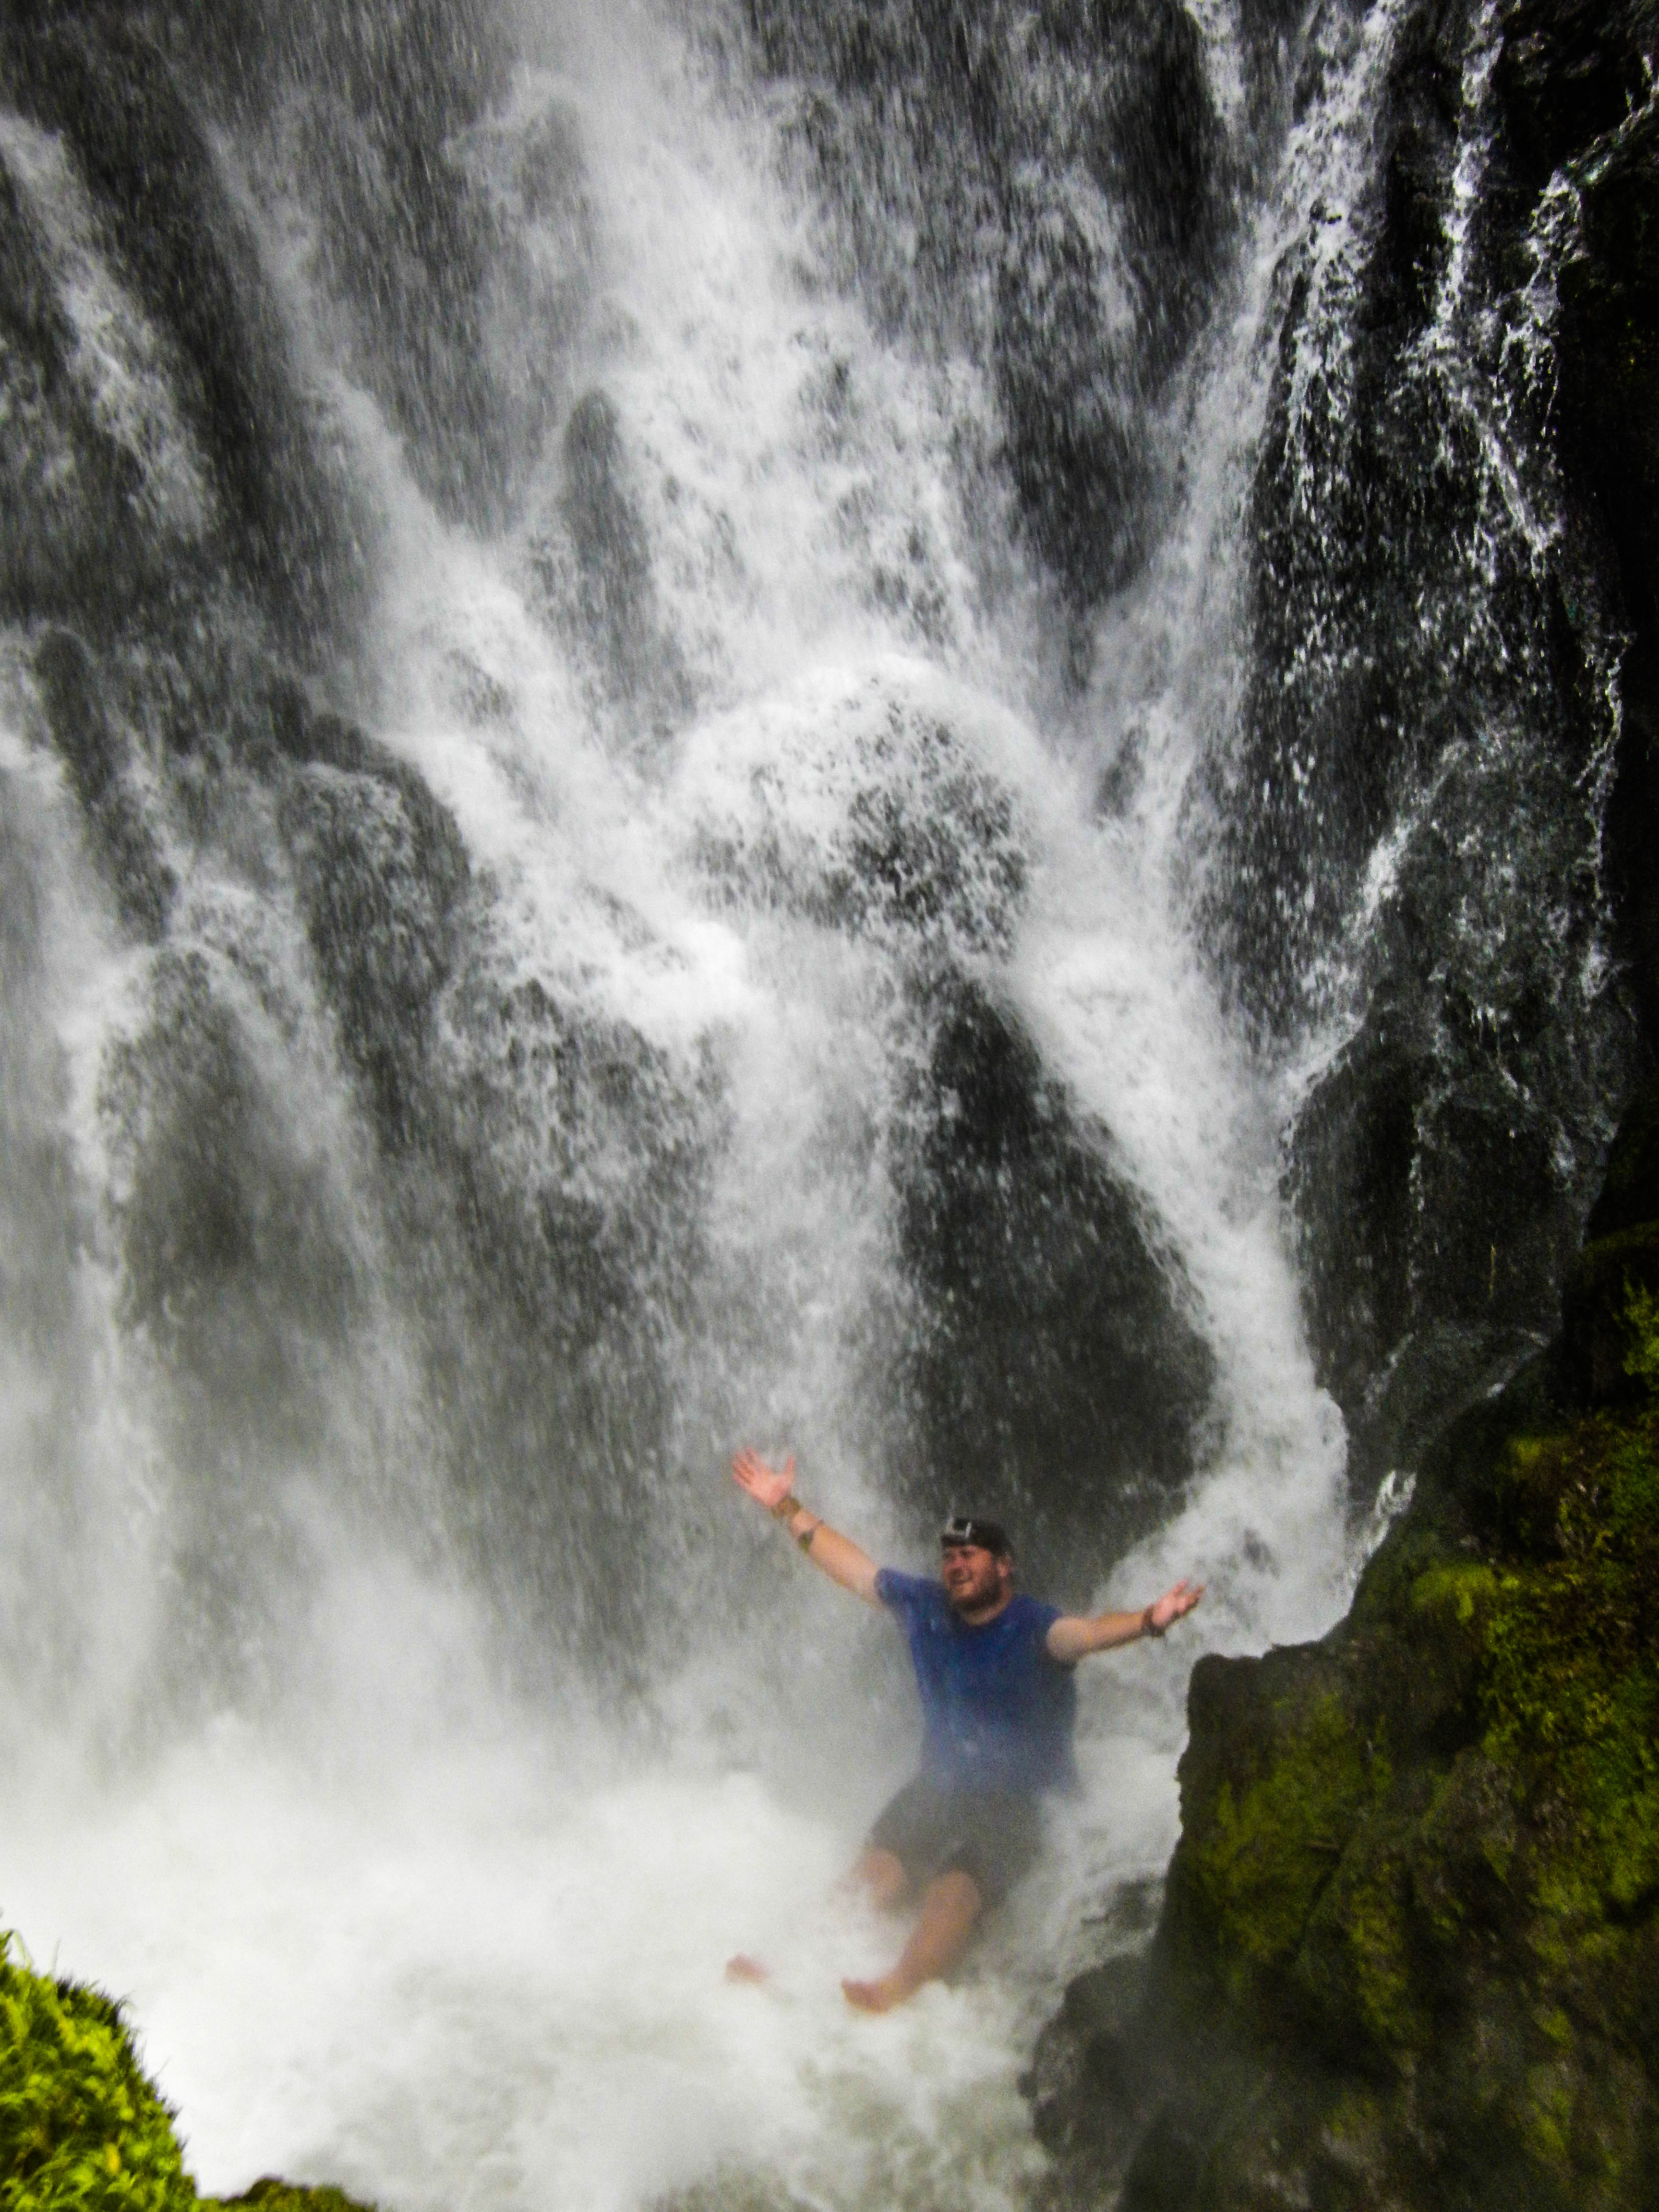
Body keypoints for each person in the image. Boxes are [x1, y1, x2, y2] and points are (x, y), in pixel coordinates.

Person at [729, 1446, 1203, 2011]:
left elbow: (1089, 1634)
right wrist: (786, 1507)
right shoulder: (924, 1606)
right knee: (875, 1871)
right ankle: (785, 1963)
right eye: (950, 1557)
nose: (955, 1564)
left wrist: (1148, 1621)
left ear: (1004, 1567)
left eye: (970, 1555)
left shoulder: (1036, 1627)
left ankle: (895, 1989)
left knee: (954, 1887)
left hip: (1019, 1800)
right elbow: (851, 1567)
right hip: (940, 1785)